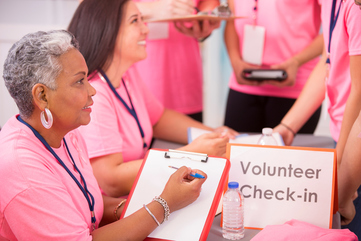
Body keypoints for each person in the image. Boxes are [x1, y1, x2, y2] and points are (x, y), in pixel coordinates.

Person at [0, 29, 207, 240]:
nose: (92, 91)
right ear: (42, 96)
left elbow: (89, 206)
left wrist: (145, 207)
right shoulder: (22, 169)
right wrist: (165, 204)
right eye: (80, 81)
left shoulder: (65, 132)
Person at [68, 0, 235, 198]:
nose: (146, 30)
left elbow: (159, 118)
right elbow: (111, 181)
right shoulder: (95, 93)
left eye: (142, 20)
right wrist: (191, 153)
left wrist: (216, 135)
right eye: (135, 21)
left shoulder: (127, 76)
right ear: (106, 30)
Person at [273, 0, 361, 238]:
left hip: (354, 149)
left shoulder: (355, 8)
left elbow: (359, 91)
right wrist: (287, 126)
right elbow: (327, 62)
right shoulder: (328, 2)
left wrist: (342, 168)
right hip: (343, 139)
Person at [224, 0, 323, 133]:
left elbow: (334, 30)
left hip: (297, 88)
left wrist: (296, 61)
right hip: (244, 84)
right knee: (233, 150)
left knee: (286, 153)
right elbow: (231, 20)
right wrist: (234, 60)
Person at [134, 0, 221, 122]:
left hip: (185, 84)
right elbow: (102, 10)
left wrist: (206, 15)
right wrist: (150, 9)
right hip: (139, 85)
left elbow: (207, 2)